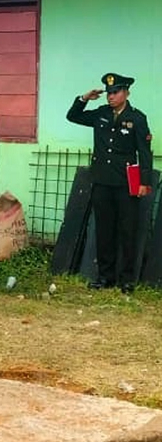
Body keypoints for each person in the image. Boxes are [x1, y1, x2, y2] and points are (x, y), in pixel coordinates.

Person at [66, 73, 152, 294]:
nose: (111, 96)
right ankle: (105, 277)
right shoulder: (101, 114)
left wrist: (144, 182)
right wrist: (84, 98)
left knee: (127, 231)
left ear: (126, 93)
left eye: (115, 92)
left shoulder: (137, 118)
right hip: (102, 181)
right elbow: (73, 116)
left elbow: (144, 153)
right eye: (109, 93)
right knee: (104, 230)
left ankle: (126, 280)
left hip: (125, 183)